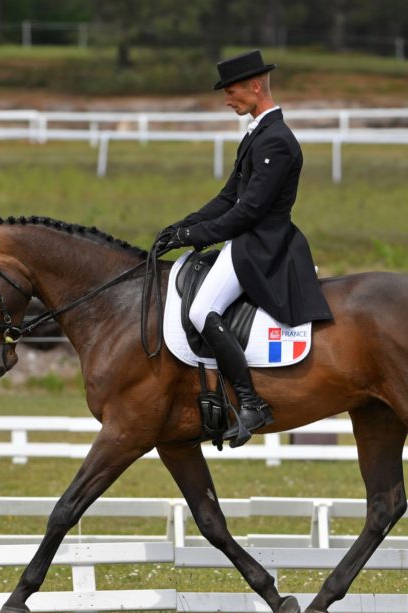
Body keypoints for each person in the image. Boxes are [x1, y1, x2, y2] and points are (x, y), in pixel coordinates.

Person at [158, 49, 332, 448]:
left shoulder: (278, 141)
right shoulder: (257, 134)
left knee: (202, 310)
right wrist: (184, 225)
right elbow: (228, 197)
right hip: (246, 240)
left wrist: (195, 237)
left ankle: (251, 404)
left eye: (231, 91)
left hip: (262, 246)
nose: (226, 100)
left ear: (255, 87)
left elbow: (249, 211)